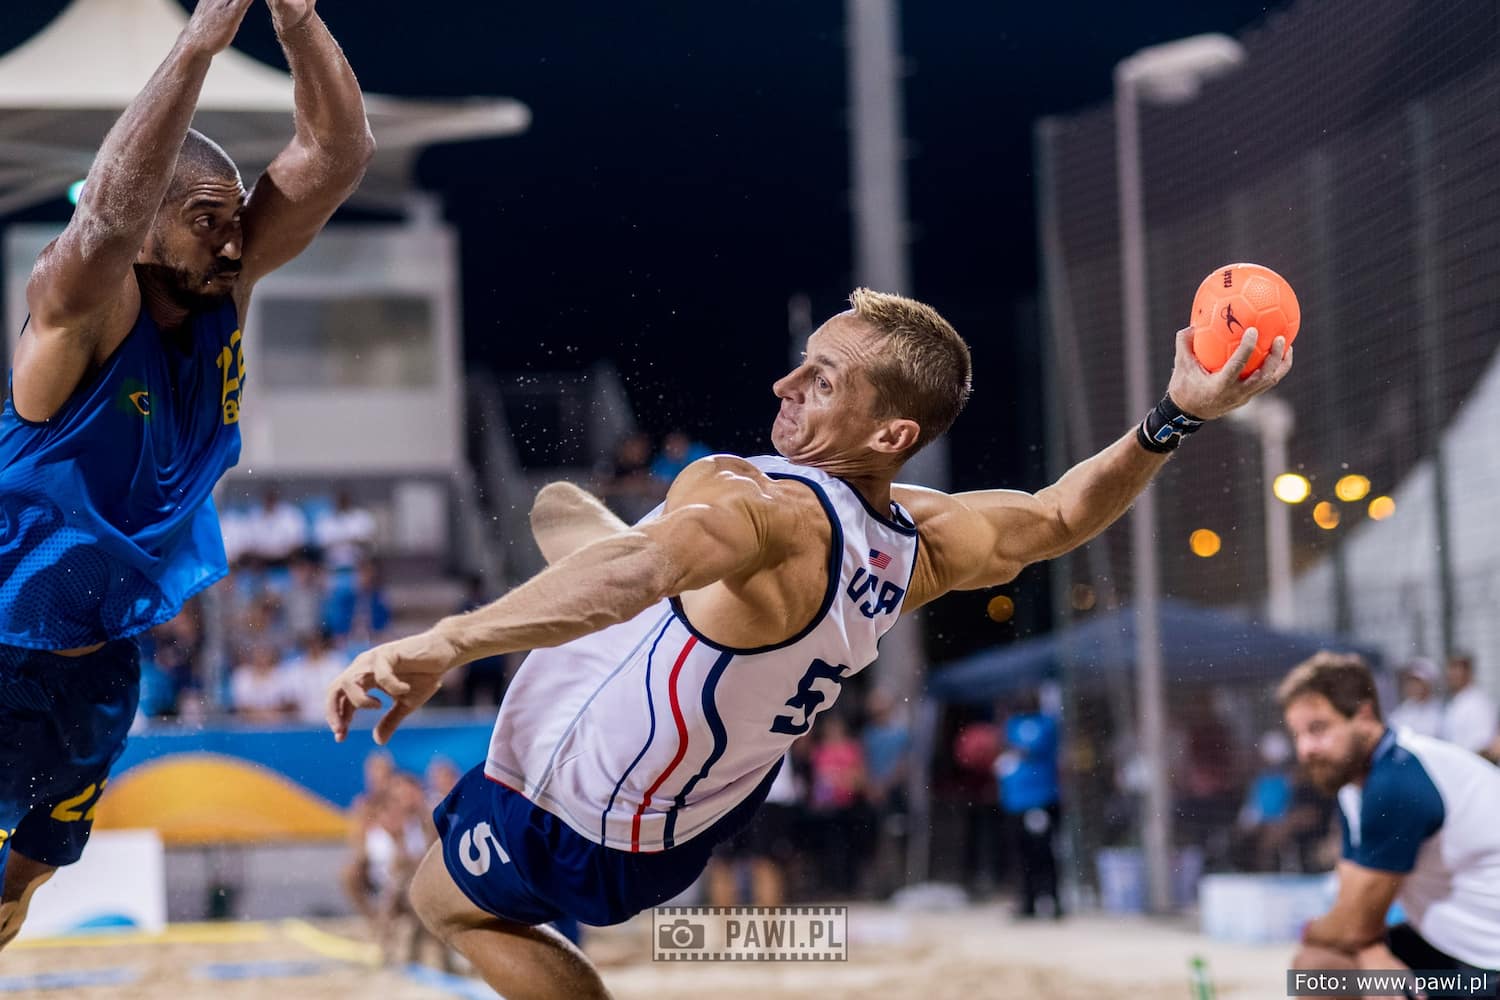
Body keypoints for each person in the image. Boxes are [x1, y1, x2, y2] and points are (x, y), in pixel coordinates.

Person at [325, 290, 1291, 998]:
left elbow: (630, 581)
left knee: (443, 900)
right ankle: (621, 553)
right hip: (684, 824)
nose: (786, 384)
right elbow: (1057, 515)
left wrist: (448, 640)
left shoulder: (762, 509)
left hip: (580, 803)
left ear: (890, 431)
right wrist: (1174, 420)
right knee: (620, 547)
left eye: (821, 380)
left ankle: (614, 555)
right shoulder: (924, 539)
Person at [0, 0, 372, 950]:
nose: (237, 240)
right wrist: (202, 39)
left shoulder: (222, 288)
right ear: (157, 221)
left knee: (20, 888)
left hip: (100, 661)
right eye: (210, 221)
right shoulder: (78, 303)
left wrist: (295, 19)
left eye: (236, 221)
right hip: (5, 647)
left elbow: (338, 156)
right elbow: (110, 215)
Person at [1282, 652, 1500, 993]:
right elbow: (1353, 907)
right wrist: (1371, 951)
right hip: (1452, 951)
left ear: (1364, 715)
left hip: (1486, 969)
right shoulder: (1355, 784)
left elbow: (1352, 924)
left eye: (1318, 729)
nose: (1305, 749)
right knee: (1319, 968)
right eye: (1297, 734)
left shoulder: (1396, 781)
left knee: (1326, 964)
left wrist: (1312, 929)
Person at [996, 691, 1063, 918]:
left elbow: (1030, 748)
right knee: (1020, 854)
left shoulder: (1045, 724)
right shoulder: (1012, 724)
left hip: (1041, 799)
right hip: (1015, 802)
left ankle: (1053, 901)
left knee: (1043, 852)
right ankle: (1027, 902)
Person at [1439, 653, 1498, 755]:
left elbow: (1483, 746)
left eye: (1457, 670)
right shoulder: (1455, 702)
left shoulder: (1478, 703)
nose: (1452, 675)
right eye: (1451, 669)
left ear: (1468, 673)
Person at [1386, 658, 1442, 738]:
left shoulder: (1440, 712)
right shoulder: (1404, 709)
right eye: (1411, 682)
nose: (1413, 686)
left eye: (1418, 682)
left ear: (1429, 685)